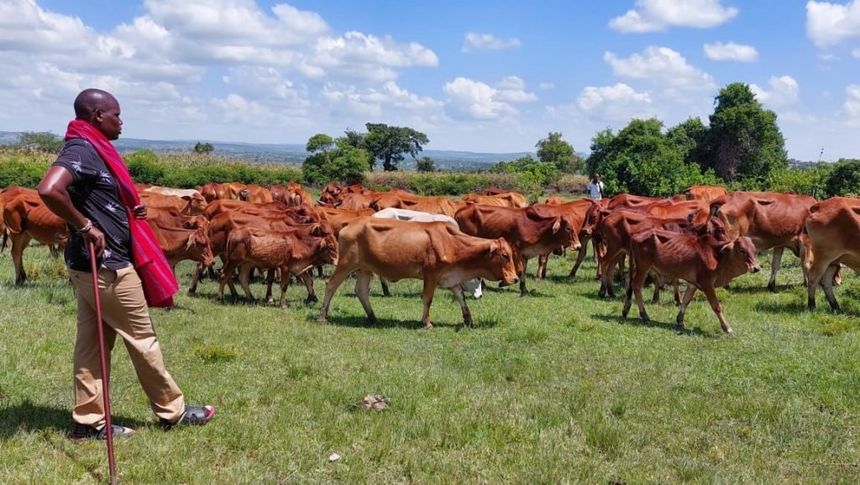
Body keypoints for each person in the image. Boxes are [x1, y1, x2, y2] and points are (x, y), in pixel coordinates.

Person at [38, 88, 215, 441]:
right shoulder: (81, 149)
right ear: (97, 116)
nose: (121, 121)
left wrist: (124, 209)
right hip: (108, 267)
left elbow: (90, 195)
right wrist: (85, 226)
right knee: (143, 338)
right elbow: (48, 189)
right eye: (116, 115)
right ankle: (173, 411)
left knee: (91, 345)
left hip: (88, 265)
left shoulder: (92, 148)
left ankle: (88, 422)